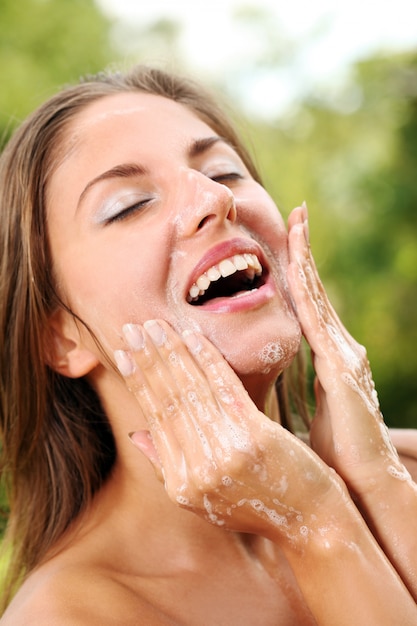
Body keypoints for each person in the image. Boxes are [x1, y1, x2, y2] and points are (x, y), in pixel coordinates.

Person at [0, 65, 416, 625]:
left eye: (223, 170)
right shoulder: (69, 616)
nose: (213, 198)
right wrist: (312, 521)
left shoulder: (403, 466)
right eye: (128, 204)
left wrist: (378, 483)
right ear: (61, 337)